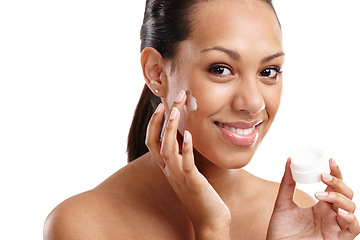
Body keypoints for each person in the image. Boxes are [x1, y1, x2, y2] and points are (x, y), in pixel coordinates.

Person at [43, 0, 360, 239]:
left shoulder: (299, 214)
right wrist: (211, 228)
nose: (252, 103)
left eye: (268, 72)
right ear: (157, 72)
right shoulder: (86, 226)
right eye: (221, 69)